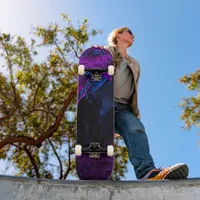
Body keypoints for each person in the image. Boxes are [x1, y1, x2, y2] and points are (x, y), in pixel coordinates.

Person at [94, 27, 189, 180]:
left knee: (136, 128)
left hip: (123, 108)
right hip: (102, 102)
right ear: (118, 34)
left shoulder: (135, 64)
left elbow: (133, 92)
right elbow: (92, 71)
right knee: (99, 141)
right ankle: (93, 168)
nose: (133, 35)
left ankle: (147, 173)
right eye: (129, 32)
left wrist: (129, 118)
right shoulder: (105, 52)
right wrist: (96, 55)